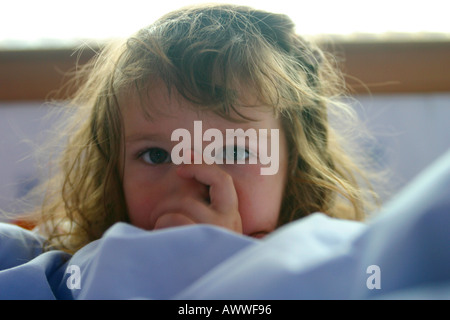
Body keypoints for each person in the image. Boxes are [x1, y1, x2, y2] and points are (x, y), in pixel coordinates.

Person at [19, 3, 380, 255]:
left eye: (235, 151)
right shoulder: (85, 260)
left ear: (297, 168)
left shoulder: (329, 265)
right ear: (114, 172)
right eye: (156, 154)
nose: (196, 180)